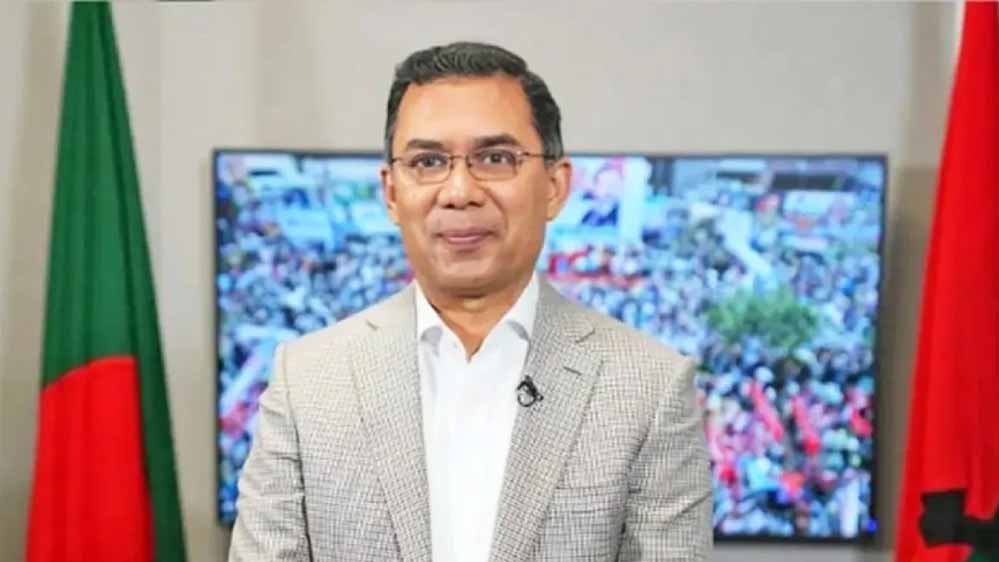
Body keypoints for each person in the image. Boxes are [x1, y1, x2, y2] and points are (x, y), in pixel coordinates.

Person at [229, 41, 712, 562]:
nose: (459, 191)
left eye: (495, 158)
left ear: (554, 185)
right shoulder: (306, 380)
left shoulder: (650, 388)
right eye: (428, 161)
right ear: (391, 193)